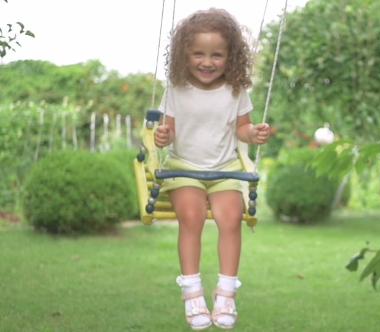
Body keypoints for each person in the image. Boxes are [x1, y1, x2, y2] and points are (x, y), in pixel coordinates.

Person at [153, 8, 270, 330]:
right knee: (191, 217)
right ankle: (192, 294)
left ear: (231, 56)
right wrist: (162, 136)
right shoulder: (176, 89)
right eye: (198, 54)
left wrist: (254, 133)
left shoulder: (235, 91)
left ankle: (226, 294)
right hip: (184, 168)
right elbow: (167, 132)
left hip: (225, 169)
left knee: (231, 219)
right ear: (184, 54)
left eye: (217, 54)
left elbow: (242, 130)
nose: (207, 62)